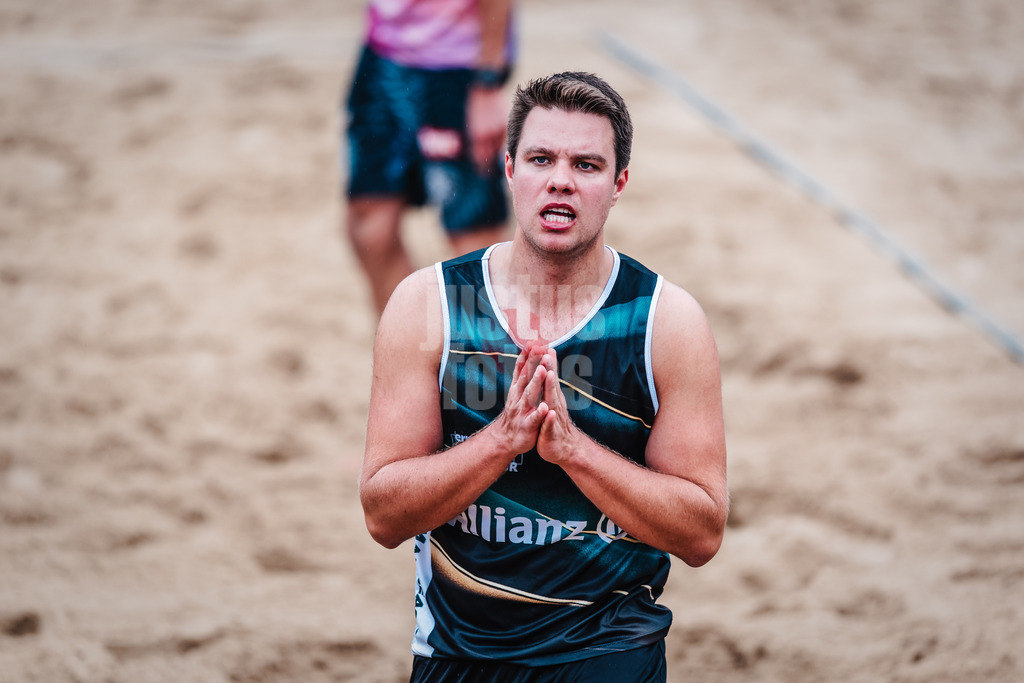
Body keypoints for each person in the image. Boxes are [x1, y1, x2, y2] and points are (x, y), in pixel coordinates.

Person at [359, 71, 728, 681]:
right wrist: (501, 441)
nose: (560, 179)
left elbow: (701, 532)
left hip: (607, 650)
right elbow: (383, 516)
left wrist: (574, 453)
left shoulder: (665, 322)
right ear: (509, 170)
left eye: (586, 165)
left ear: (619, 184)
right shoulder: (430, 305)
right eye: (540, 159)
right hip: (459, 652)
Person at [343, 0, 516, 315]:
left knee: (475, 243)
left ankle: (490, 346)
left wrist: (488, 80)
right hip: (382, 53)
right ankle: (408, 342)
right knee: (370, 228)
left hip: (456, 64)